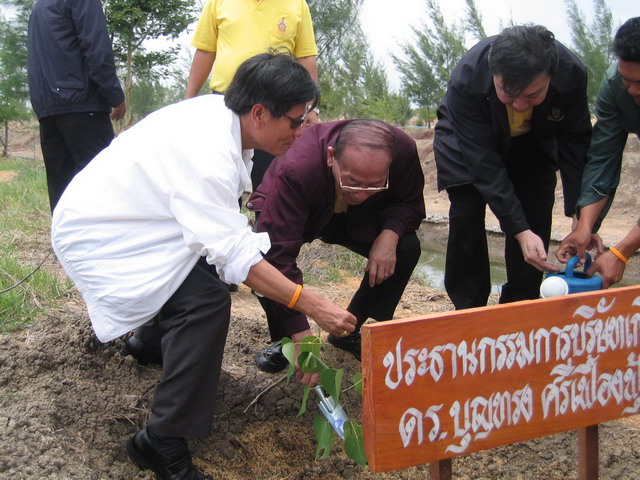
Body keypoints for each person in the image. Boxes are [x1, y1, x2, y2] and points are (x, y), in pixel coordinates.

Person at [51, 52, 356, 480]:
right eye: (295, 120)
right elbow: (236, 257)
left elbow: (223, 236)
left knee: (201, 273)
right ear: (259, 113)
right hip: (105, 236)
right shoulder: (207, 153)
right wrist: (312, 305)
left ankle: (150, 344)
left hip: (138, 219)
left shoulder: (226, 121)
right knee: (205, 301)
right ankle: (161, 440)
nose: (302, 130)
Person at [247, 119, 425, 373]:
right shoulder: (298, 167)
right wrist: (299, 329)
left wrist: (390, 233)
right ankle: (285, 340)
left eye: (375, 184)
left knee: (406, 247)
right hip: (299, 205)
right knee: (264, 258)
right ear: (331, 157)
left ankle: (348, 330)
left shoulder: (404, 151)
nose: (361, 194)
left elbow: (409, 201)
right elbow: (277, 256)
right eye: (353, 180)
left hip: (357, 217)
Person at [434, 25, 591, 310]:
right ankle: (469, 309)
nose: (519, 105)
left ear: (551, 76)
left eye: (532, 95)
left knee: (535, 212)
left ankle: (521, 303)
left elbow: (575, 144)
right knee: (467, 211)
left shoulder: (571, 73)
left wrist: (581, 216)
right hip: (466, 141)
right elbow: (483, 163)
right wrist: (519, 230)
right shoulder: (468, 77)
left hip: (533, 140)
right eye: (508, 93)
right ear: (493, 74)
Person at [184, 0, 320, 191]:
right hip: (228, 103)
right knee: (221, 175)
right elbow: (206, 50)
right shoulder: (218, 2)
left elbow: (306, 56)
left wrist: (311, 109)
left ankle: (265, 210)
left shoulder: (296, 4)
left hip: (275, 110)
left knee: (270, 183)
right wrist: (188, 101)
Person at [556, 17, 640, 288]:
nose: (633, 90)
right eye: (627, 80)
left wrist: (622, 252)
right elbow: (603, 158)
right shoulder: (615, 85)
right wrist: (585, 225)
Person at [27, 0, 126, 212]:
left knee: (62, 186)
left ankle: (64, 233)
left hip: (48, 106)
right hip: (82, 103)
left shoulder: (40, 5)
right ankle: (104, 232)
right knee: (102, 181)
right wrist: (114, 95)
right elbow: (97, 49)